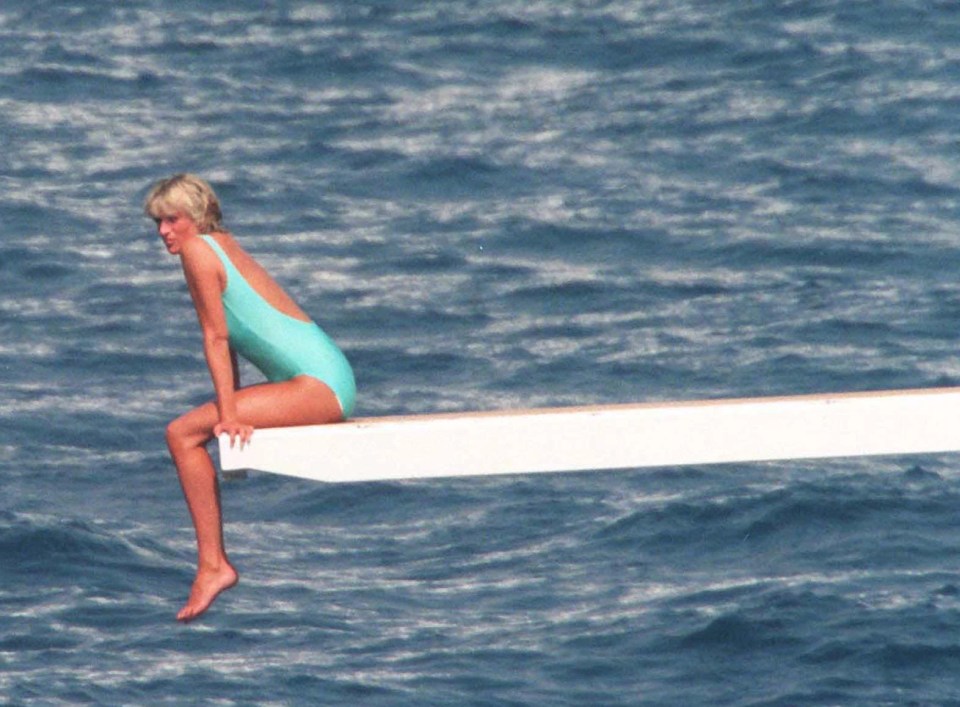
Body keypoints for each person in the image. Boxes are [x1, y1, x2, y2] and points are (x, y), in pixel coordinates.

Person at [143, 174, 356, 621]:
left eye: (171, 220)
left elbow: (217, 339)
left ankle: (213, 565)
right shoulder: (219, 244)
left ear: (196, 218)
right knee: (190, 430)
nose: (163, 231)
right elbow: (235, 338)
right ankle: (213, 564)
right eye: (157, 222)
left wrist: (229, 413)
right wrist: (231, 407)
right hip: (326, 378)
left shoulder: (199, 252)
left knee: (181, 434)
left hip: (318, 385)